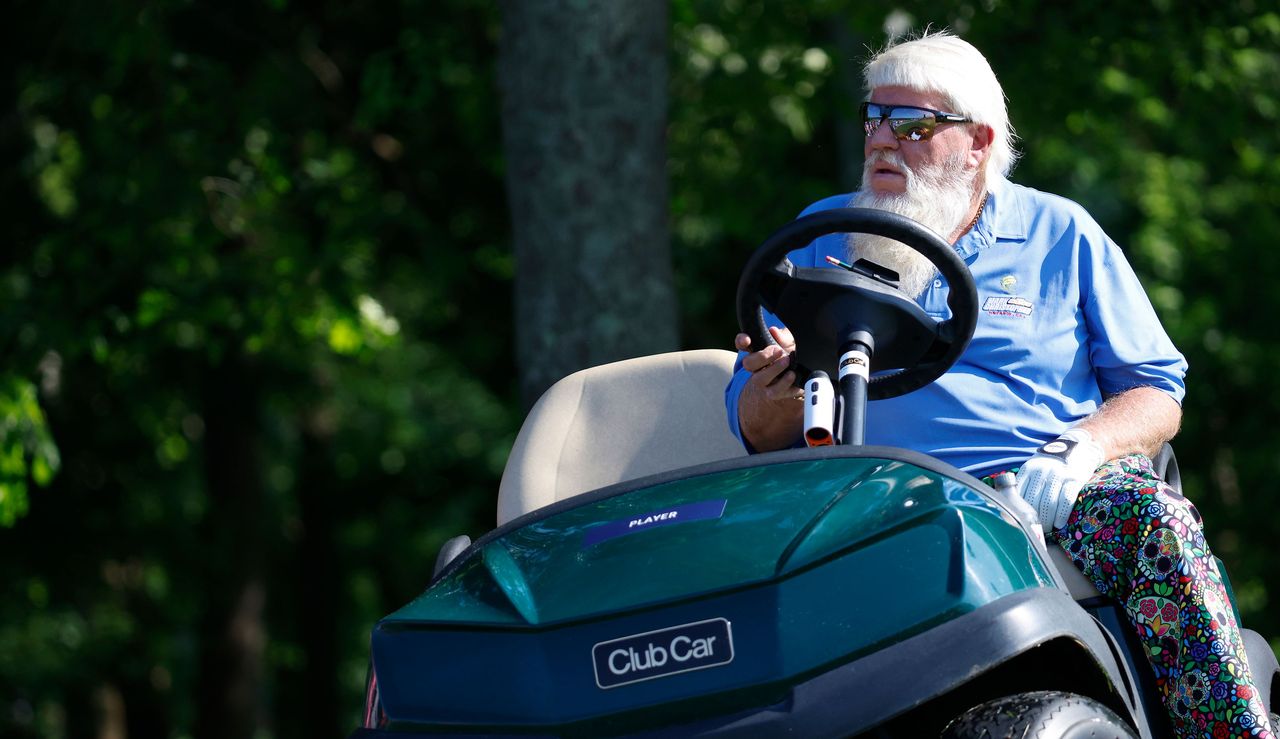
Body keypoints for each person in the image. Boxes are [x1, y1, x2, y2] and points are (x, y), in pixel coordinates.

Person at [725, 30, 1274, 739]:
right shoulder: (822, 236)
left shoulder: (1060, 232)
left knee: (1154, 523)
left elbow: (1157, 392)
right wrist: (773, 395)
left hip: (1042, 491)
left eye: (914, 125)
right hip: (865, 497)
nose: (882, 142)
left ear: (978, 142)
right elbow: (756, 425)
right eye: (874, 119)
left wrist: (1081, 450)